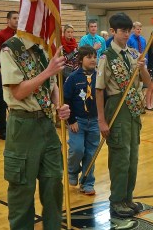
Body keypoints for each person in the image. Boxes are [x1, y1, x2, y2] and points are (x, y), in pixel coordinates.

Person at [0, 36, 70, 229]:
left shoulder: (43, 49)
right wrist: (48, 71)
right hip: (23, 124)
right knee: (22, 190)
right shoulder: (10, 50)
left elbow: (52, 85)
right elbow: (18, 92)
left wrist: (59, 106)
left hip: (47, 124)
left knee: (54, 184)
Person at [96, 12, 151, 219]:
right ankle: (117, 200)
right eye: (122, 31)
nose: (126, 34)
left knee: (132, 158)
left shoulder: (134, 54)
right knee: (119, 158)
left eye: (128, 31)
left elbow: (146, 81)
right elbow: (100, 90)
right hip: (116, 108)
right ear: (112, 31)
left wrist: (142, 66)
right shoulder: (106, 57)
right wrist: (101, 119)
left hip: (133, 111)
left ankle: (128, 197)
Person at [64, 46, 99, 196]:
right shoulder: (73, 78)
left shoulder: (99, 77)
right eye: (88, 57)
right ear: (80, 60)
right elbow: (66, 100)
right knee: (77, 149)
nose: (92, 60)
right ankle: (72, 170)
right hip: (77, 121)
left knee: (91, 154)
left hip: (95, 121)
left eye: (94, 57)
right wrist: (71, 120)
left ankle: (87, 182)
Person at [0, 11, 19, 140]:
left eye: (18, 18)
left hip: (20, 72)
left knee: (18, 99)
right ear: (8, 20)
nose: (17, 20)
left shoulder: (21, 35)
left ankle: (17, 128)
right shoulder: (1, 35)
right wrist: (4, 71)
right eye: (14, 18)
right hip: (5, 72)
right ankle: (2, 129)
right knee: (3, 101)